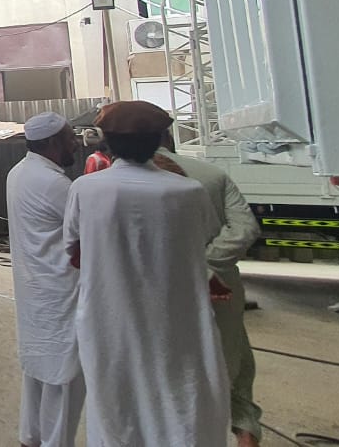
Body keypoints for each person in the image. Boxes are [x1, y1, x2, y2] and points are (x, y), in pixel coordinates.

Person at [64, 101, 231, 446]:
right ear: (159, 140)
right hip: (178, 322)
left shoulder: (85, 189)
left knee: (115, 404)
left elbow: (75, 253)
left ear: (107, 141)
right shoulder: (188, 191)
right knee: (179, 402)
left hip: (110, 320)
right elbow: (203, 239)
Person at [159, 133, 264, 447]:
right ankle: (245, 432)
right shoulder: (212, 174)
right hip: (220, 285)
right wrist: (206, 262)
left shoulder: (111, 182)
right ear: (167, 137)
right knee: (234, 359)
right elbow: (246, 228)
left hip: (162, 287)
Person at [6, 112, 84, 447]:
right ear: (52, 142)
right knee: (63, 375)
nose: (76, 145)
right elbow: (89, 233)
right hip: (60, 291)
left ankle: (30, 437)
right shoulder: (56, 184)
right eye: (70, 139)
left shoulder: (18, 172)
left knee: (38, 369)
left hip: (35, 289)